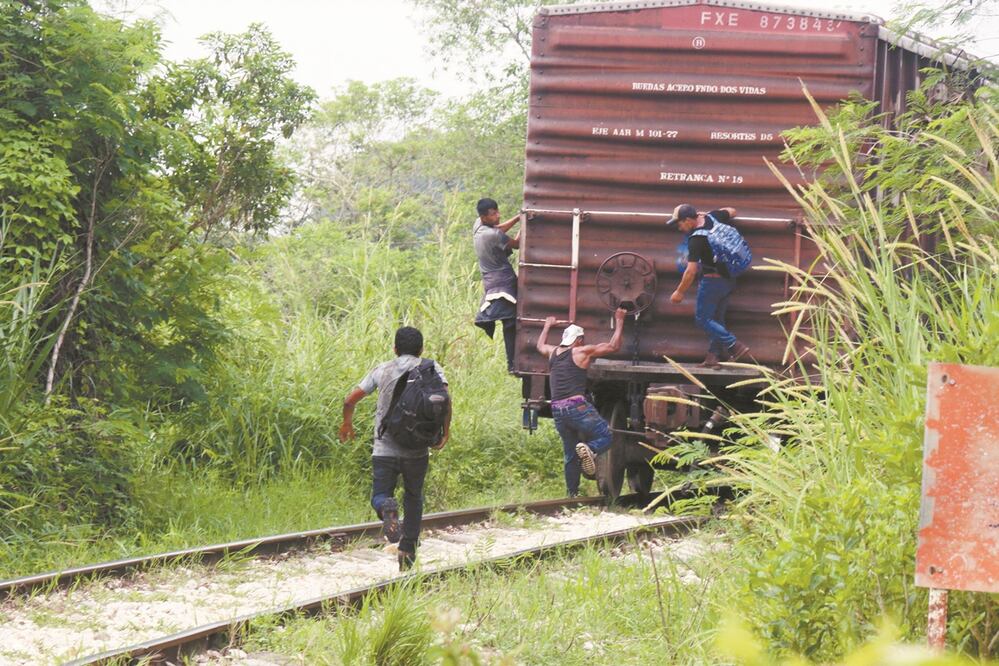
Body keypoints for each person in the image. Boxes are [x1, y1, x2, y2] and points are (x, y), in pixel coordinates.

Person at [338, 326, 451, 571]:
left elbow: (349, 400)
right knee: (413, 497)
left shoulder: (383, 370)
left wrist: (347, 423)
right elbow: (445, 400)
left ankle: (385, 509)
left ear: (395, 349)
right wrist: (445, 432)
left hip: (385, 448)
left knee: (380, 494)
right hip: (417, 449)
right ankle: (407, 551)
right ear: (421, 349)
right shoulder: (432, 368)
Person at [535, 308, 626, 496]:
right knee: (607, 436)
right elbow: (613, 347)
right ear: (578, 340)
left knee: (570, 454)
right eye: (581, 340)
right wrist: (620, 320)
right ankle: (590, 449)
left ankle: (572, 495)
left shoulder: (553, 352)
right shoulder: (581, 351)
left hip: (557, 410)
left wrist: (547, 325)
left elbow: (540, 346)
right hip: (576, 407)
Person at [667, 203, 752, 368]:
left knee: (702, 319)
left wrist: (679, 292)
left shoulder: (696, 239)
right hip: (729, 278)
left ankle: (735, 346)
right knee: (717, 320)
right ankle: (713, 356)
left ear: (688, 220)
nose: (679, 228)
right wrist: (705, 214)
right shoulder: (714, 216)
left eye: (680, 223)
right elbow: (733, 211)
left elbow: (690, 271)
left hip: (712, 282)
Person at [472, 197, 521, 373]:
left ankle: (513, 362)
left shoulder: (478, 226)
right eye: (493, 214)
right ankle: (512, 364)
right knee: (510, 323)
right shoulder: (493, 235)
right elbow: (517, 244)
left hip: (490, 283)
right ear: (484, 217)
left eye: (497, 212)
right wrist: (524, 225)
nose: (498, 216)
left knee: (509, 321)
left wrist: (517, 218)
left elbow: (499, 228)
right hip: (503, 284)